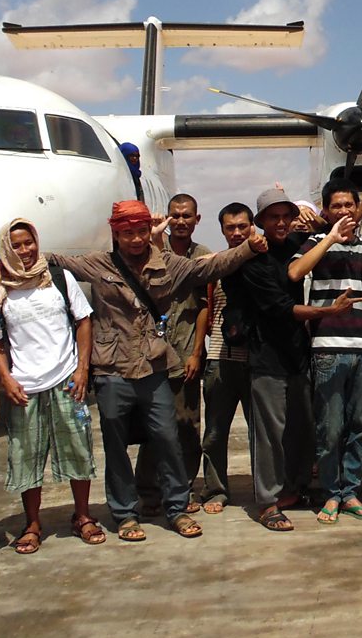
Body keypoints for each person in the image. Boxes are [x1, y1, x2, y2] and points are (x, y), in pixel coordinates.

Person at [47, 200, 263, 542]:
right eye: (127, 233)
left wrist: (248, 248)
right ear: (116, 234)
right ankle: (125, 514)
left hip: (154, 366)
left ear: (150, 231)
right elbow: (54, 261)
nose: (135, 239)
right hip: (112, 369)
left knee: (167, 439)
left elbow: (210, 268)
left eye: (141, 231)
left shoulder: (169, 264)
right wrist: (11, 269)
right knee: (116, 446)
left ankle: (175, 508)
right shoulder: (99, 263)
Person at [224, 188, 345, 531]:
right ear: (260, 221)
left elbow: (333, 227)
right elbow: (282, 308)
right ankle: (267, 502)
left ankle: (294, 489)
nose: (280, 223)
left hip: (297, 355)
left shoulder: (295, 243)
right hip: (267, 357)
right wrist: (329, 311)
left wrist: (322, 219)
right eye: (273, 217)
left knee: (301, 430)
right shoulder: (254, 260)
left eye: (285, 216)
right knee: (269, 435)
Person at [0, 219, 100, 555]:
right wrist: (6, 380)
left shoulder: (58, 279)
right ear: (6, 249)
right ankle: (32, 524)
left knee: (78, 449)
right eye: (17, 245)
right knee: (26, 456)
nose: (25, 250)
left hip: (66, 381)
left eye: (29, 243)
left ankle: (82, 516)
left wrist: (82, 369)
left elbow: (83, 321)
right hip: (25, 388)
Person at [288, 178, 362, 524]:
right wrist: (330, 238)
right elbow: (295, 272)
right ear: (325, 211)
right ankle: (330, 493)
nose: (343, 211)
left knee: (359, 426)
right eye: (336, 206)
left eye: (349, 205)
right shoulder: (315, 243)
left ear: (357, 209)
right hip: (327, 349)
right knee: (329, 429)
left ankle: (350, 491)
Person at [136, 193, 211, 515]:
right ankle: (148, 492)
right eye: (175, 216)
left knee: (187, 427)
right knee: (153, 428)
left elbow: (204, 307)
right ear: (167, 218)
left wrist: (196, 353)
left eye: (186, 216)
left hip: (185, 353)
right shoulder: (150, 250)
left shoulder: (202, 256)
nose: (181, 221)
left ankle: (184, 488)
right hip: (152, 357)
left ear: (197, 219)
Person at [200, 203, 257, 514]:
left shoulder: (264, 262)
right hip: (220, 357)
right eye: (230, 227)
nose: (236, 233)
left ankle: (264, 488)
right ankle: (216, 489)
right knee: (214, 432)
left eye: (242, 226)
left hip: (257, 360)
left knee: (260, 431)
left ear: (252, 226)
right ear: (222, 230)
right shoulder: (215, 266)